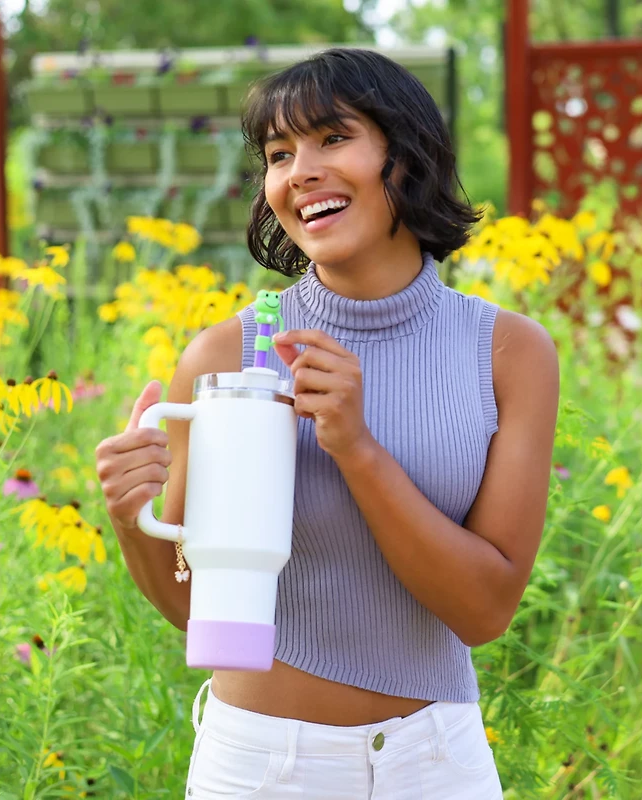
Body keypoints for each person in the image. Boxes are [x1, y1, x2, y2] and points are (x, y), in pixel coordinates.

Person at [95, 47, 560, 799]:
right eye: (280, 154)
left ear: (406, 156)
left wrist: (355, 445)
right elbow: (196, 612)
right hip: (256, 767)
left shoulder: (508, 351)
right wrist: (130, 515)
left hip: (435, 765)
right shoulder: (229, 354)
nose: (299, 170)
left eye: (332, 139)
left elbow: (484, 609)